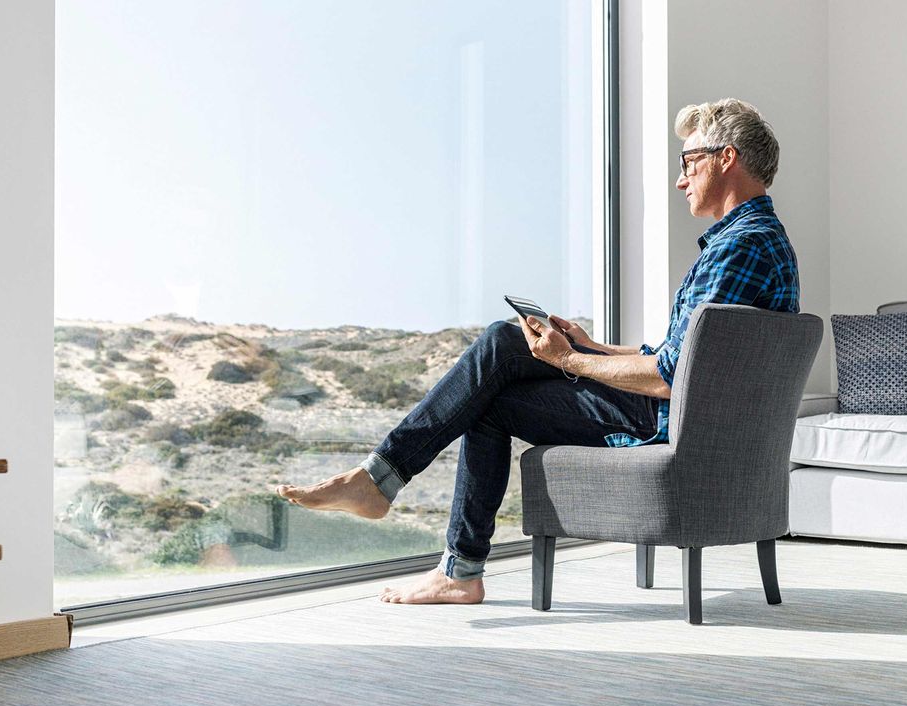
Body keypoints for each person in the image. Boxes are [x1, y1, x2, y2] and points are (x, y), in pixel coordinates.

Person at [275, 97, 800, 604]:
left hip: (665, 419)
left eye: (688, 161)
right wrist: (591, 345)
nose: (680, 178)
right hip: (685, 413)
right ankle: (408, 513)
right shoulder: (758, 240)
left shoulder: (740, 247)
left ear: (725, 158)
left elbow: (671, 377)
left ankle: (403, 506)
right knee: (504, 346)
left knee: (493, 378)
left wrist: (566, 359)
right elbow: (687, 356)